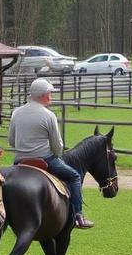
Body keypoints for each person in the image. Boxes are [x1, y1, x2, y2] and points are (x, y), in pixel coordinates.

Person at [8, 78, 94, 229]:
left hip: (20, 161)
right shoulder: (48, 116)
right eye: (50, 93)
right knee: (74, 176)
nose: (51, 96)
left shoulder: (16, 113)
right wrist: (55, 153)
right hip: (46, 159)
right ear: (43, 95)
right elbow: (57, 146)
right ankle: (78, 216)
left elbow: (11, 141)